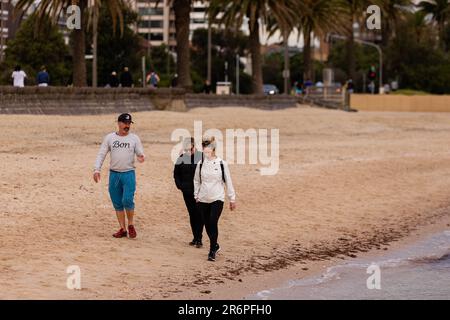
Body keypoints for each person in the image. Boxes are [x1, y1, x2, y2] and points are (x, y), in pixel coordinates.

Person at [93, 113, 145, 239]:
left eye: (129, 124)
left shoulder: (134, 138)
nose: (127, 126)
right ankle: (122, 228)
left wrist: (141, 157)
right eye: (125, 123)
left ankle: (131, 224)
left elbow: (140, 153)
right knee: (117, 202)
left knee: (127, 200)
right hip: (114, 175)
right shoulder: (110, 138)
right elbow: (101, 154)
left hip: (128, 174)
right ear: (119, 123)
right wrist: (96, 170)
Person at [194, 136, 236, 261]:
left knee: (213, 222)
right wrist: (196, 195)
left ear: (213, 149)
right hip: (203, 198)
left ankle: (212, 250)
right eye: (204, 150)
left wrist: (232, 198)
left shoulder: (222, 164)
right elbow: (196, 180)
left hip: (217, 198)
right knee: (207, 225)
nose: (207, 152)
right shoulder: (200, 164)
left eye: (209, 149)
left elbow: (228, 181)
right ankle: (216, 244)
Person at [174, 137, 204, 247]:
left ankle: (199, 238)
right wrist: (180, 186)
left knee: (199, 214)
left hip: (200, 192)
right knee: (192, 214)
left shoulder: (202, 157)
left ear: (194, 147)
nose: (188, 152)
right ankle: (195, 237)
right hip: (186, 191)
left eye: (190, 149)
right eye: (186, 150)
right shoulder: (181, 158)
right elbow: (176, 174)